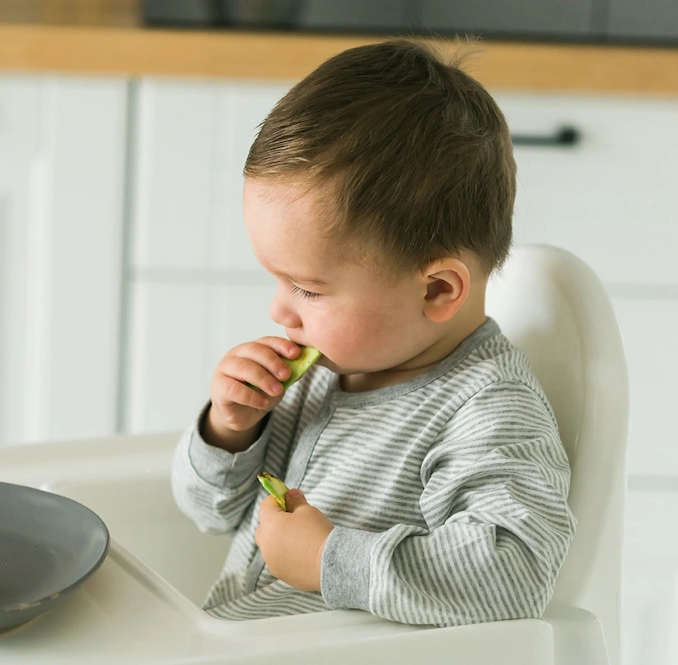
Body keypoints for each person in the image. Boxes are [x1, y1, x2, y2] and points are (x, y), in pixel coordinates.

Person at [170, 38, 576, 625]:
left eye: (308, 288)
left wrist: (329, 559)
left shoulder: (487, 409)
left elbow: (513, 574)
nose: (281, 311)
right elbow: (210, 512)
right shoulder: (322, 374)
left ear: (437, 290)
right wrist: (228, 431)